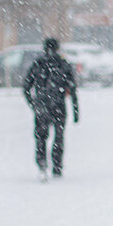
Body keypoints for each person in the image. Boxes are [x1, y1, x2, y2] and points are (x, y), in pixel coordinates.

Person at [22, 37, 78, 181]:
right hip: (59, 106)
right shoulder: (63, 64)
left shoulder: (38, 64)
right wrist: (76, 110)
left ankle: (42, 164)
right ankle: (57, 166)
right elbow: (72, 88)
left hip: (41, 105)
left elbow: (26, 86)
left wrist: (33, 103)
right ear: (58, 48)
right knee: (58, 137)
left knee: (41, 137)